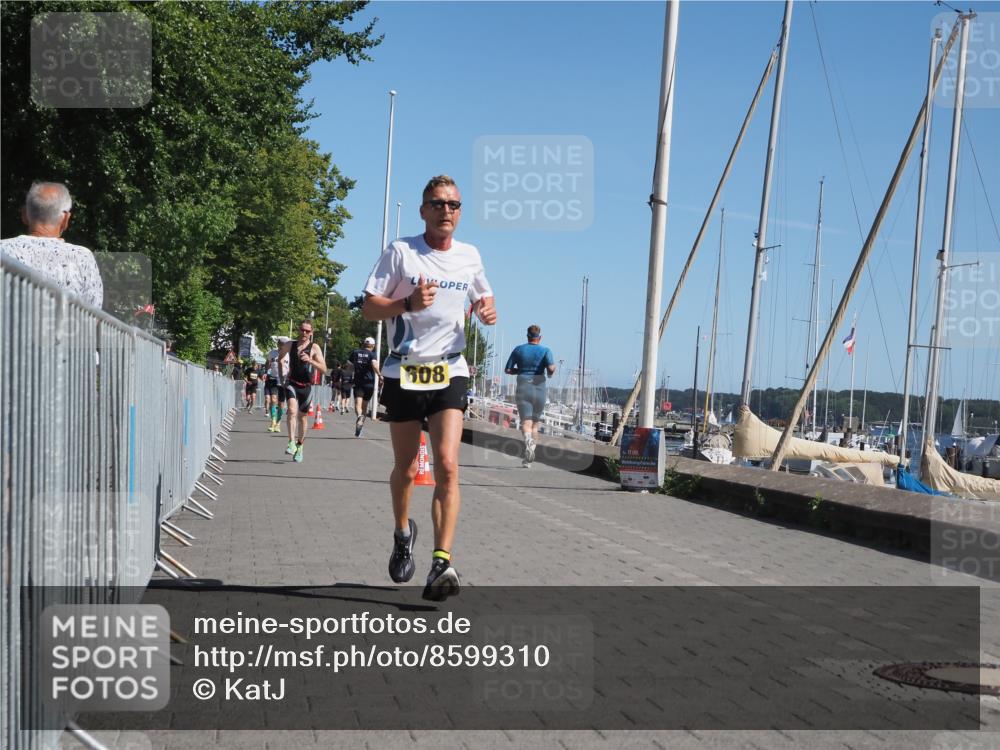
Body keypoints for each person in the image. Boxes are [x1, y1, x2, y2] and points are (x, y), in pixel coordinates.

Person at [362, 174, 496, 601]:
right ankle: (403, 532)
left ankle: (442, 561)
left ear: (460, 212)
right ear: (423, 210)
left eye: (454, 205)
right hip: (404, 370)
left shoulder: (470, 256)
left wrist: (487, 309)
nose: (446, 211)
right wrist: (406, 303)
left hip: (450, 369)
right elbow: (368, 308)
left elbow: (483, 298)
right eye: (438, 204)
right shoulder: (401, 252)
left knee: (448, 464)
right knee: (404, 468)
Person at [1, 181, 103, 308]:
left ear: (24, 214)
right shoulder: (82, 257)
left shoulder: (3, 250)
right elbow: (94, 313)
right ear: (65, 219)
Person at [505, 325, 557, 466]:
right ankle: (528, 459)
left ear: (527, 336)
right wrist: (551, 372)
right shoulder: (546, 350)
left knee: (526, 423)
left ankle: (527, 440)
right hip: (539, 389)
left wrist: (520, 371)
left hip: (523, 388)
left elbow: (508, 370)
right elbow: (551, 369)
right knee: (535, 424)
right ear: (539, 337)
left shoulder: (519, 349)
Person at [277, 319, 328, 463]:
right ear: (298, 330)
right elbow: (280, 359)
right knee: (292, 410)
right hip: (292, 382)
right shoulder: (290, 345)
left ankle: (300, 446)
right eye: (302, 330)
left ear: (311, 333)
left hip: (306, 386)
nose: (304, 333)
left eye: (307, 331)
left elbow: (323, 369)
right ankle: (291, 442)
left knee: (303, 417)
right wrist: (282, 377)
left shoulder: (314, 347)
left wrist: (310, 360)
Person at [348, 336, 383, 437]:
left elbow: (349, 366)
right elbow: (374, 365)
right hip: (369, 383)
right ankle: (360, 427)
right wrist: (380, 375)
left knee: (357, 404)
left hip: (358, 382)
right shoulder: (372, 354)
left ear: (364, 344)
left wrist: (350, 375)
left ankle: (359, 417)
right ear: (373, 346)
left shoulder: (355, 352)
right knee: (365, 405)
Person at [264, 337, 289, 432]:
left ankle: (278, 423)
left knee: (281, 403)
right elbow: (267, 362)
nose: (281, 345)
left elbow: (291, 367)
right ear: (278, 344)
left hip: (283, 380)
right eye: (280, 343)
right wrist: (266, 371)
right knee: (273, 399)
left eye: (283, 344)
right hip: (273, 378)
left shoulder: (288, 355)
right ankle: (273, 421)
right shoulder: (272, 353)